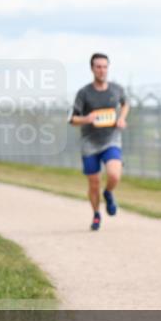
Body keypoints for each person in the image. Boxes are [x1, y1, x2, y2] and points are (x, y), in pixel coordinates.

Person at [69, 53, 128, 231]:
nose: (102, 70)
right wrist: (87, 118)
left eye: (104, 66)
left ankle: (108, 192)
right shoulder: (84, 93)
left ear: (108, 68)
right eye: (98, 67)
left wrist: (122, 118)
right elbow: (72, 119)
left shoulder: (116, 89)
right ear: (92, 69)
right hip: (90, 143)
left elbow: (125, 104)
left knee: (114, 175)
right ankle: (96, 215)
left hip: (111, 139)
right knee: (93, 182)